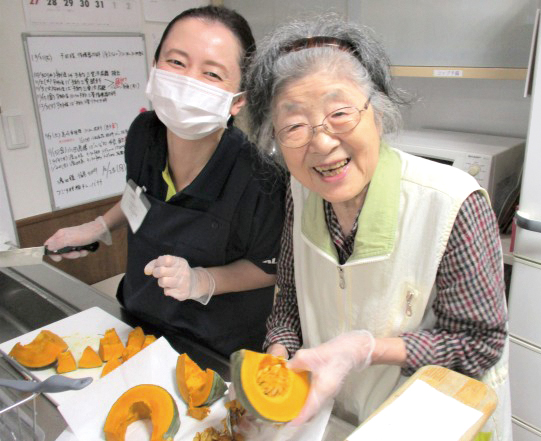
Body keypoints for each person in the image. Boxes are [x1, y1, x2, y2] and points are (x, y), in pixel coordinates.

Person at [244, 14, 511, 440]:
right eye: (294, 126)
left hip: (425, 422)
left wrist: (367, 349)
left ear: (379, 114)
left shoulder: (451, 202)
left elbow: (480, 343)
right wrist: (279, 356)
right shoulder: (300, 192)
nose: (323, 142)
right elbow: (290, 299)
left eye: (340, 113)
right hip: (335, 420)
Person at [44, 6, 286, 358]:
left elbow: (269, 269)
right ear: (155, 68)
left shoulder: (260, 178)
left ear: (238, 101)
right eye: (176, 62)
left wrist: (203, 281)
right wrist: (98, 227)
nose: (189, 81)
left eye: (212, 74)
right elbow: (138, 194)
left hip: (214, 344)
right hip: (139, 318)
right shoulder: (144, 134)